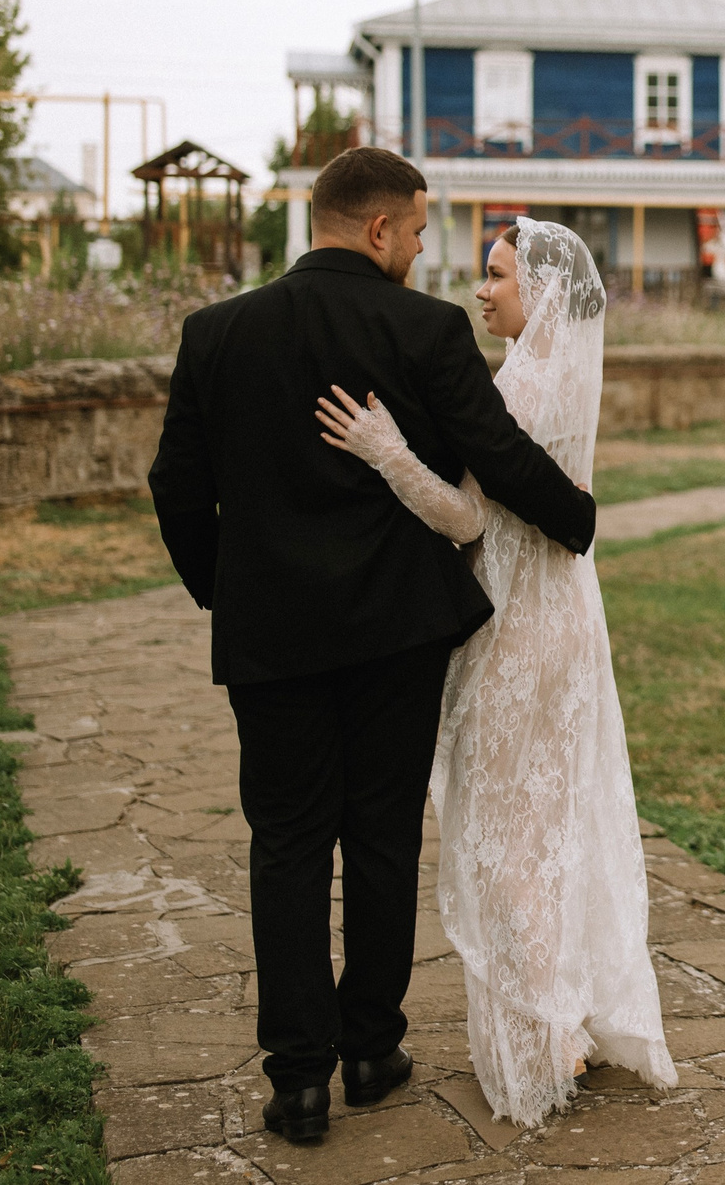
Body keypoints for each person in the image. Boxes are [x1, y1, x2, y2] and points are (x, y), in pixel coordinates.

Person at [147, 148, 599, 1144]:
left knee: (287, 843)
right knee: (382, 837)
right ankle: (369, 1048)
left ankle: (296, 1080)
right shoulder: (423, 329)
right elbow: (496, 453)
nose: (424, 250)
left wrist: (230, 593)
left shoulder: (216, 332)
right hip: (397, 633)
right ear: (380, 228)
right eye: (420, 230)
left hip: (271, 639)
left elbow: (176, 486)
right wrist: (576, 516)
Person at [315, 216, 673, 1124]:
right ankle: (564, 1017)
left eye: (498, 275)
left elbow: (469, 519)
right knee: (547, 827)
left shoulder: (520, 386)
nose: (481, 290)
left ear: (540, 291)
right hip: (561, 621)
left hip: (516, 631)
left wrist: (386, 452)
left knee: (507, 837)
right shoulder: (557, 375)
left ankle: (540, 1036)